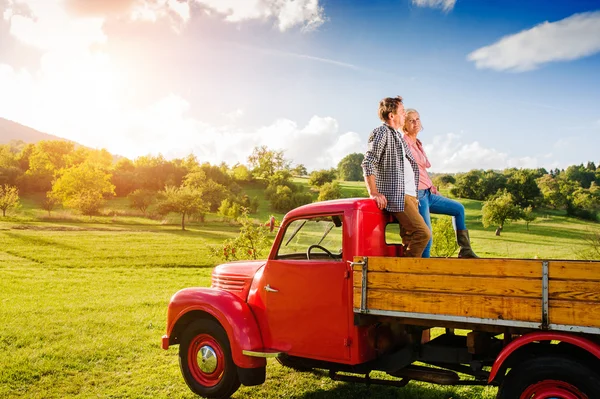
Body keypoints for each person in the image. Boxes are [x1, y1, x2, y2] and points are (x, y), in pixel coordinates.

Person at [402, 108, 478, 258]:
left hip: (429, 193)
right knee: (427, 237)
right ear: (404, 124)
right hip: (418, 195)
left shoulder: (418, 143)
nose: (415, 123)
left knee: (459, 209)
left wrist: (432, 186)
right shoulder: (403, 142)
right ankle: (425, 271)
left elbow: (421, 169)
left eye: (417, 119)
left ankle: (465, 251)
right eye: (411, 120)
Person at [361, 96, 431, 257]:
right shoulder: (381, 132)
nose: (404, 115)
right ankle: (406, 273)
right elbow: (368, 162)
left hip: (411, 196)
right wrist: (374, 192)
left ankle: (404, 278)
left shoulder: (398, 136)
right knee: (423, 234)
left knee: (409, 239)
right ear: (391, 115)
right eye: (401, 111)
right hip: (399, 196)